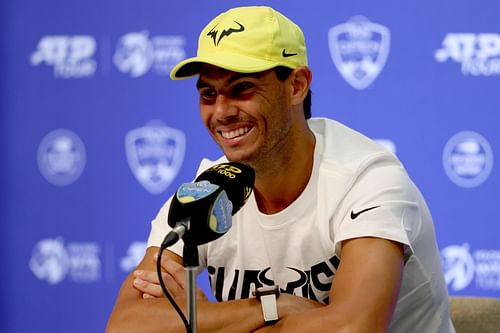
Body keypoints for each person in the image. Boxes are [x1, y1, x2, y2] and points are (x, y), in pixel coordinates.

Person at [107, 6, 455, 333]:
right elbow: (125, 324)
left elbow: (353, 327)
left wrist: (199, 321)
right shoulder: (207, 190)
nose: (222, 112)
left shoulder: (367, 179)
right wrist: (270, 308)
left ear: (297, 86)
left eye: (242, 89)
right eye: (208, 94)